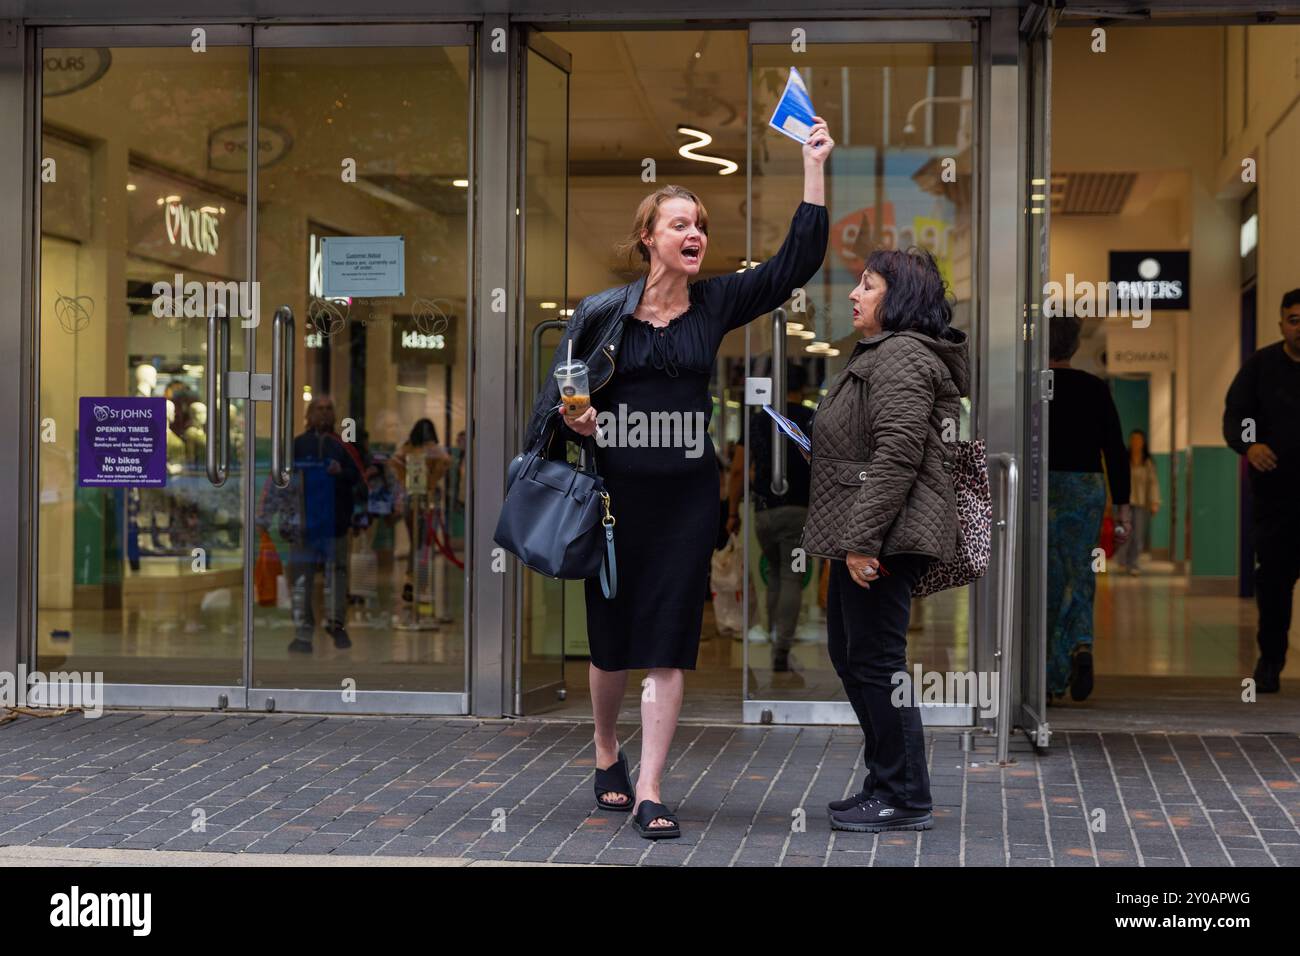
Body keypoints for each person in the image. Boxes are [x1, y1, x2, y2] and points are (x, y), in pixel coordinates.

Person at [522, 119, 833, 839]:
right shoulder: (603, 315)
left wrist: (813, 166)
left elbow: (795, 262)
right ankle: (606, 751)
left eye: (700, 224)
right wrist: (580, 423)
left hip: (687, 502)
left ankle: (652, 789)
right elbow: (562, 399)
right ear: (648, 238)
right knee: (611, 646)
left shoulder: (716, 304)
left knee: (667, 644)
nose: (694, 232)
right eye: (679, 223)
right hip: (612, 503)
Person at [800, 247, 967, 834]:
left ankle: (904, 794)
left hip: (885, 537)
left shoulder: (899, 356)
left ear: (897, 300)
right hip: (873, 529)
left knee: (876, 661)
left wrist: (862, 540)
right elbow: (879, 445)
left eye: (867, 286)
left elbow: (897, 456)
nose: (853, 294)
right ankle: (886, 782)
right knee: (855, 656)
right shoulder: (883, 354)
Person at [1045, 315, 1130, 702]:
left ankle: (1048, 677)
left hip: (1041, 487)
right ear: (1076, 346)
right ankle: (1081, 643)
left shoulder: (1033, 389)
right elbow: (1115, 449)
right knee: (1081, 570)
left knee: (1046, 578)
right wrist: (1124, 508)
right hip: (1086, 488)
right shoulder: (1095, 388)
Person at [1223, 288, 1300, 693]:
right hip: (1277, 500)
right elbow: (1237, 415)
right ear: (1281, 324)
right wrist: (1250, 445)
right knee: (1273, 586)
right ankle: (1270, 662)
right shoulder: (1261, 367)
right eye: (1294, 320)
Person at [258, 394, 366, 653]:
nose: (324, 413)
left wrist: (359, 511)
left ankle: (337, 625)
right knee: (301, 579)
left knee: (338, 576)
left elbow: (360, 481)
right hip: (302, 526)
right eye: (319, 409)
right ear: (308, 414)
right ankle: (303, 632)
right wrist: (265, 516)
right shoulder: (296, 446)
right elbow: (278, 482)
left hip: (335, 525)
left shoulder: (345, 447)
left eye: (329, 409)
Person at [727, 362, 814, 680]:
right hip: (800, 512)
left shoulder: (758, 421)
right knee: (792, 576)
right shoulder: (810, 418)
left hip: (763, 513)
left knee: (774, 574)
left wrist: (732, 511)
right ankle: (781, 649)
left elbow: (737, 470)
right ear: (802, 389)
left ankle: (773, 631)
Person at [392, 419, 453, 609]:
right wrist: (432, 479)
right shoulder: (433, 450)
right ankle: (422, 585)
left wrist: (404, 481)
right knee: (424, 544)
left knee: (416, 543)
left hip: (413, 498)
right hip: (428, 499)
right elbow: (446, 461)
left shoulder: (408, 448)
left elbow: (394, 461)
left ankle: (411, 580)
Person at [1117, 428, 1161, 576]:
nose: (1136, 442)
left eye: (1139, 440)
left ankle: (1134, 563)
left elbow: (1153, 483)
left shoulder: (1147, 462)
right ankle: (1123, 560)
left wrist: (1155, 502)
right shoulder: (1124, 459)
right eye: (1133, 439)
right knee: (1125, 533)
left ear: (1143, 442)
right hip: (1126, 502)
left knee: (1138, 535)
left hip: (1141, 503)